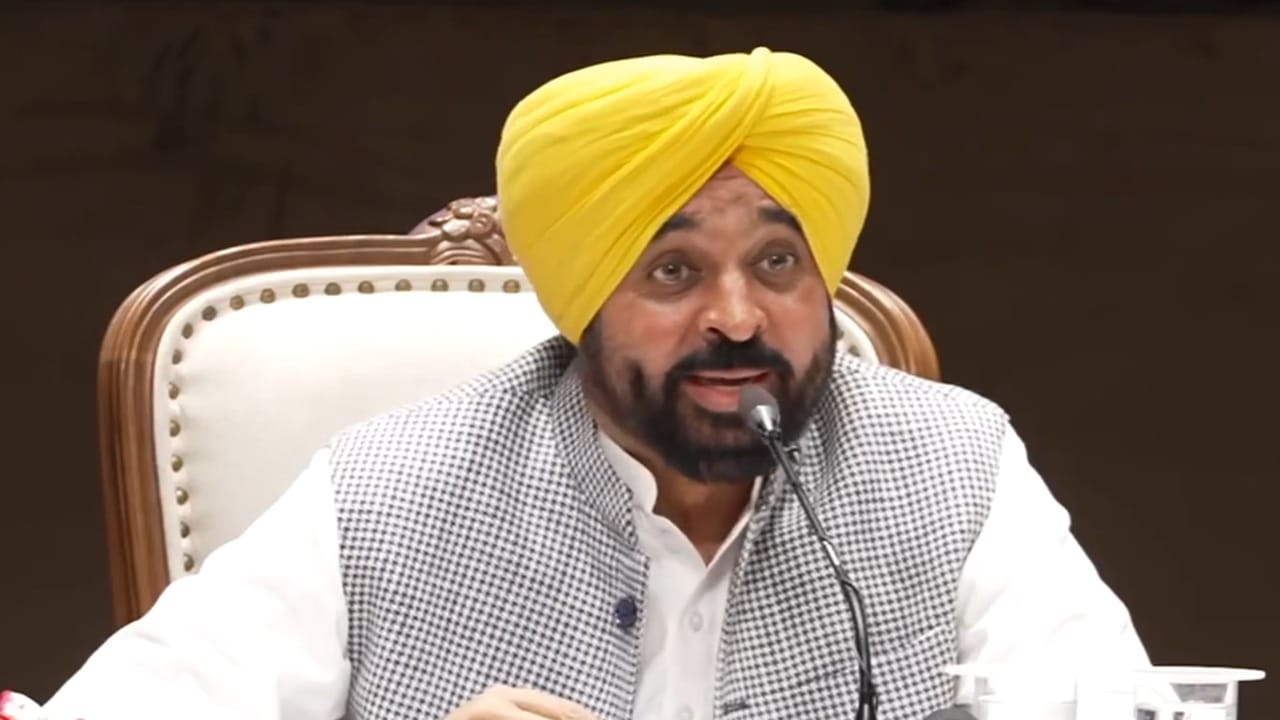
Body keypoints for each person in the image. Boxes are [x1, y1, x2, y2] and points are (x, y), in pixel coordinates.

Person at [25, 47, 1147, 720]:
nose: (738, 317)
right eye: (673, 271)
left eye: (776, 262)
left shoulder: (951, 465)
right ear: (581, 301)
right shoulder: (389, 493)